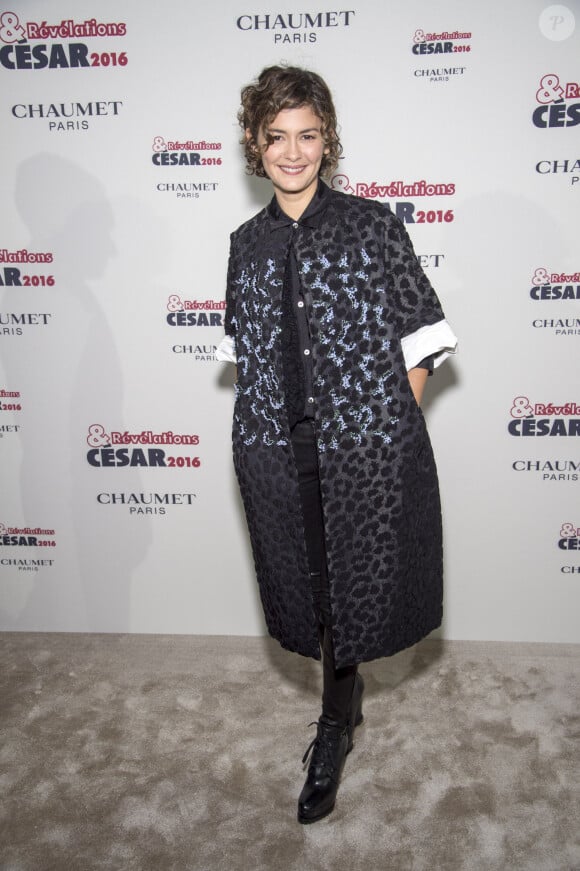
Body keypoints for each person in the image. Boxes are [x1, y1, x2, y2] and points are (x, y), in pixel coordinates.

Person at [216, 65, 457, 824]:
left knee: (357, 588)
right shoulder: (245, 244)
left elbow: (425, 340)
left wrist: (385, 429)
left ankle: (333, 721)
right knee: (314, 592)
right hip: (277, 456)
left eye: (308, 135)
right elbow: (246, 355)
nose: (294, 152)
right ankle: (341, 709)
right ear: (256, 144)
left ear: (328, 140)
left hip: (362, 456)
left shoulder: (372, 224)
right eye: (277, 136)